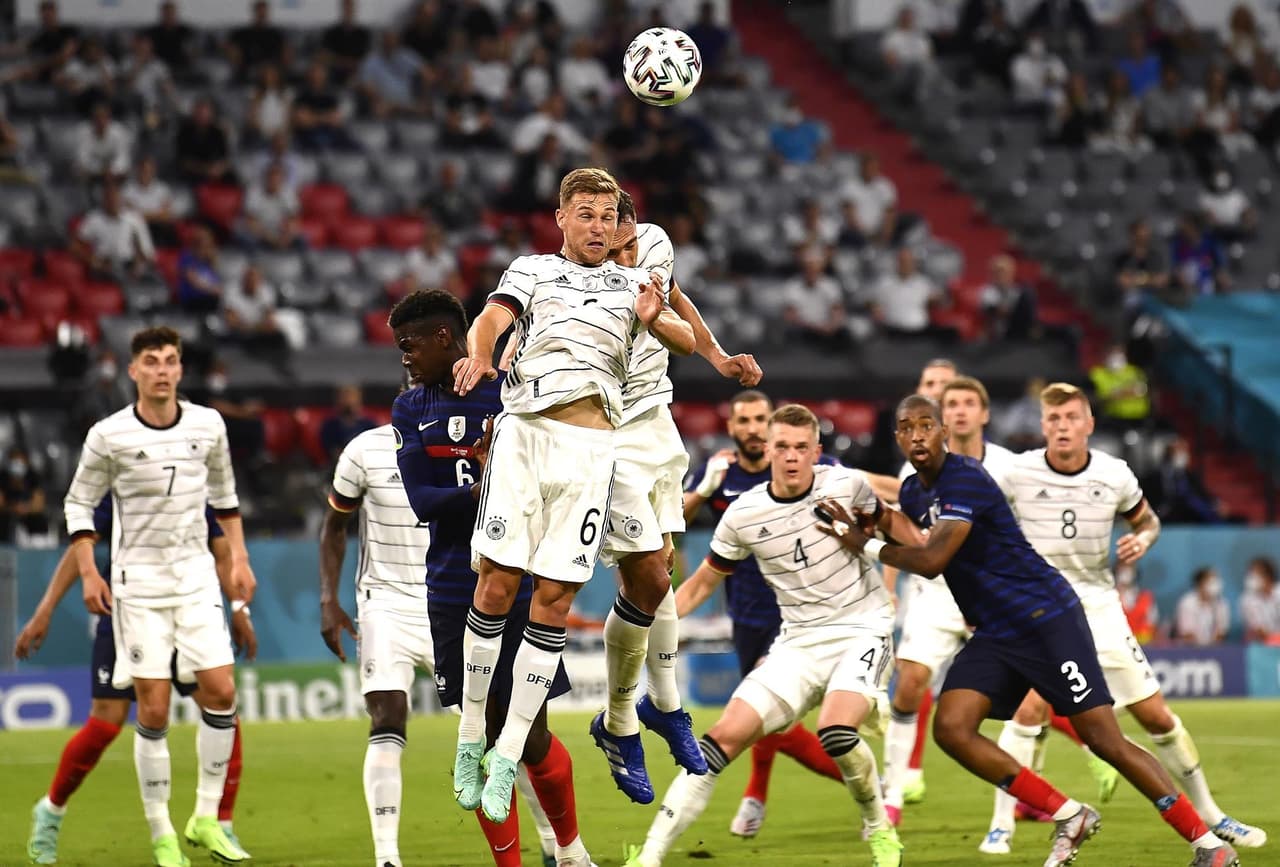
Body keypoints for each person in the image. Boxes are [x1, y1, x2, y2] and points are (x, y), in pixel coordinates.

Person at [823, 393, 1242, 867]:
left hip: (1047, 619)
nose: (918, 435)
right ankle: (1069, 814)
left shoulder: (966, 479)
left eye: (926, 425)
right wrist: (874, 517)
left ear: (943, 431)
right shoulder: (919, 490)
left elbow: (932, 559)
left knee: (1106, 741)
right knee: (953, 728)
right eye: (907, 427)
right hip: (998, 631)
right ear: (897, 436)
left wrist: (862, 542)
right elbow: (914, 533)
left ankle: (1207, 845)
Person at [448, 167, 694, 824]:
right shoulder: (530, 269)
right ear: (561, 218)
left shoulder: (632, 282)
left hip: (592, 452)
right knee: (496, 587)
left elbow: (688, 339)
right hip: (526, 437)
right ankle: (470, 736)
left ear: (620, 226)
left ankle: (505, 753)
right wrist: (480, 353)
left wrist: (657, 318)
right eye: (583, 213)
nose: (596, 225)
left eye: (607, 216)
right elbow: (491, 320)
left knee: (553, 601)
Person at [984, 382, 1265, 852]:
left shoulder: (1115, 475)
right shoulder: (1018, 472)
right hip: (1040, 609)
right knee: (1029, 707)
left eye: (1072, 417)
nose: (1062, 427)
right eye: (1053, 419)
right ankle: (1002, 824)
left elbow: (1146, 519)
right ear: (1043, 426)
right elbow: (985, 522)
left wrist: (1145, 539)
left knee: (1155, 715)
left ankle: (1212, 814)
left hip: (1097, 606)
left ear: (1089, 424)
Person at [626, 404, 905, 867]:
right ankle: (649, 855)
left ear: (817, 451)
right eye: (782, 447)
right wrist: (648, 622)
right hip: (797, 642)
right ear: (767, 449)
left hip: (862, 628)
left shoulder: (845, 486)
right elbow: (702, 583)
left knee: (835, 731)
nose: (791, 457)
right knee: (716, 743)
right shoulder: (744, 513)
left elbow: (899, 529)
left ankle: (879, 829)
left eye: (801, 448)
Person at [387, 289, 591, 867]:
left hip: (521, 579)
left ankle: (571, 853)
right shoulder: (409, 408)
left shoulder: (512, 393)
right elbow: (423, 501)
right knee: (477, 730)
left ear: (445, 339)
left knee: (529, 734)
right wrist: (492, 489)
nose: (404, 357)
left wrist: (506, 485)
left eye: (410, 345)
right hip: (452, 585)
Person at [61, 326, 257, 867]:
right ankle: (162, 833)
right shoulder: (109, 435)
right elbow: (78, 505)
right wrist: (87, 573)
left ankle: (205, 817)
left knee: (221, 692)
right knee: (153, 705)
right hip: (138, 586)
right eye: (152, 361)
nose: (163, 370)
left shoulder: (208, 424)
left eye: (171, 360)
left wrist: (237, 559)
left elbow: (225, 497)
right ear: (133, 371)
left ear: (180, 369)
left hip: (195, 578)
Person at [594, 190, 765, 806]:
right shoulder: (584, 275)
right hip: (607, 432)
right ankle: (625, 719)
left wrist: (717, 356)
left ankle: (658, 707)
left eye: (624, 229)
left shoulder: (657, 243)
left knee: (660, 571)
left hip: (657, 424)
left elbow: (675, 298)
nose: (623, 243)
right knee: (644, 577)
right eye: (610, 234)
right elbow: (662, 323)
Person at [18, 496, 255, 866]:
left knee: (221, 701)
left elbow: (221, 549)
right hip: (129, 613)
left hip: (185, 612)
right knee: (105, 723)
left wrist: (240, 609)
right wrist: (44, 609)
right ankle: (50, 811)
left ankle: (220, 822)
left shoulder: (191, 479)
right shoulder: (124, 483)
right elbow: (80, 545)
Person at [880, 376, 1047, 828]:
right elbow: (906, 531)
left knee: (1034, 698)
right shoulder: (913, 471)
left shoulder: (1011, 467)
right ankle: (892, 793)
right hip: (937, 592)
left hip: (995, 595)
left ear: (984, 414)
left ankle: (1029, 787)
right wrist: (891, 583)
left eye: (968, 403)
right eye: (950, 404)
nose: (958, 411)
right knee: (911, 680)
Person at [681, 391, 844, 839]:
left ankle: (864, 786)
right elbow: (671, 523)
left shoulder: (805, 470)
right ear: (731, 427)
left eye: (759, 419)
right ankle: (762, 794)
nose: (752, 427)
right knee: (770, 720)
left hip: (796, 613)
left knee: (761, 714)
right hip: (746, 615)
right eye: (744, 420)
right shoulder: (720, 474)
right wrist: (702, 489)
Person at [318, 420, 439, 867]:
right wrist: (329, 598)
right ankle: (386, 856)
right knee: (388, 716)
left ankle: (552, 845)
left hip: (449, 603)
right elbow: (333, 526)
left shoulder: (473, 442)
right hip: (384, 604)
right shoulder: (365, 450)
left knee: (500, 731)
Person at [0, 445, 49, 542]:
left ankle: (39, 547)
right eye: (14, 459)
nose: (17, 462)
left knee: (38, 519)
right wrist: (14, 508)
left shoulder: (33, 477)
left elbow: (39, 505)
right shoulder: (2, 477)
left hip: (29, 517)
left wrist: (26, 508)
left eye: (20, 459)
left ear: (26, 460)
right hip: (8, 515)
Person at [320, 385, 376, 464]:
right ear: (337, 399)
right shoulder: (330, 425)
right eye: (344, 396)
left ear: (359, 398)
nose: (348, 400)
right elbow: (332, 451)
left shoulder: (369, 425)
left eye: (351, 396)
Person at [1176, 567, 1231, 645]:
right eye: (1211, 582)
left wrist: (1213, 647)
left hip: (1215, 649)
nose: (1216, 584)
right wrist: (1202, 652)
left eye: (1217, 581)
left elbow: (1222, 631)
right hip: (1190, 649)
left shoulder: (1222, 603)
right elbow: (1187, 634)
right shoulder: (1187, 603)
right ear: (1200, 584)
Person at [1116, 561, 1160, 644]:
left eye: (1130, 567)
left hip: (1145, 647)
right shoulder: (1108, 597)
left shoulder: (1147, 597)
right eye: (1123, 568)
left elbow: (1153, 625)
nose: (1126, 571)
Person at [1240, 557, 1280, 643]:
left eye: (1254, 574)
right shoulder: (1246, 599)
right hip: (1261, 646)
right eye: (1250, 574)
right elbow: (1257, 630)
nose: (1251, 578)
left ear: (1268, 576)